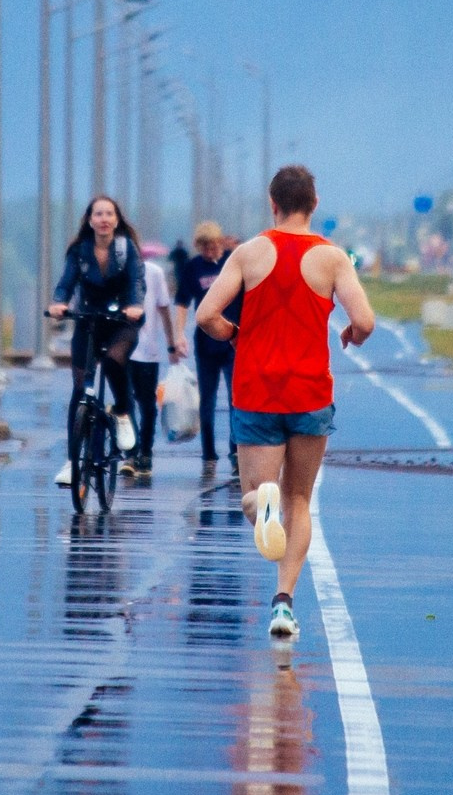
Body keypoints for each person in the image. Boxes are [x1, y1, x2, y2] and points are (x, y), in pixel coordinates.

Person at [195, 165, 376, 641]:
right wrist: (351, 333)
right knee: (300, 501)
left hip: (256, 389)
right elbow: (366, 321)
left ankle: (261, 502)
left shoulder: (248, 253)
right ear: (314, 205)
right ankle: (284, 605)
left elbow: (206, 314)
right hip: (309, 392)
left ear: (271, 203)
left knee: (255, 497)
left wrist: (237, 336)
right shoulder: (332, 258)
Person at [49, 195, 146, 487]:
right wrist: (59, 303)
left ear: (117, 220)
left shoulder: (125, 248)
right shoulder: (79, 251)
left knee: (116, 362)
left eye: (109, 214)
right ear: (90, 220)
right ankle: (72, 461)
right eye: (98, 214)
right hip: (89, 320)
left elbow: (135, 282)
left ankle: (123, 412)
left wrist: (135, 306)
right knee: (80, 390)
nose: (104, 219)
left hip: (121, 323)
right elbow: (66, 282)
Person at [176, 221, 237, 470]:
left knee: (237, 399)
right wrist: (178, 334)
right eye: (203, 248)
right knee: (207, 399)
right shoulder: (193, 268)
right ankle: (209, 452)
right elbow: (182, 302)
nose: (209, 252)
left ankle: (236, 451)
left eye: (212, 246)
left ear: (220, 243)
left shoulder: (232, 262)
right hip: (206, 343)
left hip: (234, 340)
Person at [127, 246, 179, 476]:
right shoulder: (113, 272)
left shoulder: (154, 273)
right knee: (124, 402)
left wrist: (171, 343)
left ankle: (145, 453)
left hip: (147, 350)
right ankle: (131, 452)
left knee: (146, 404)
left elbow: (164, 310)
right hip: (122, 349)